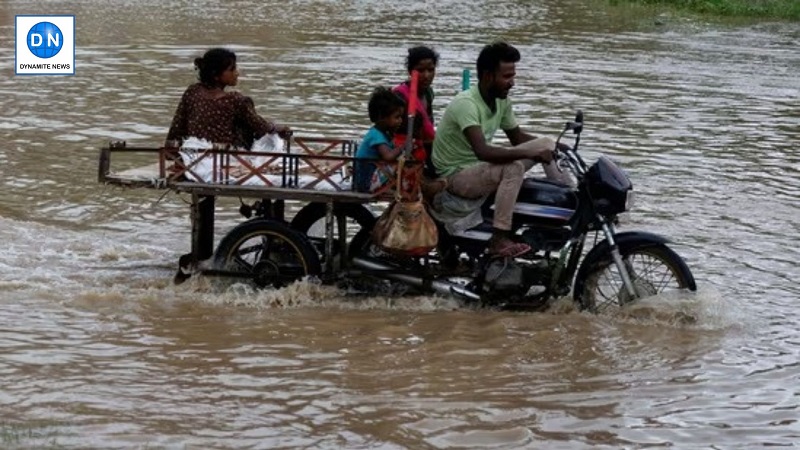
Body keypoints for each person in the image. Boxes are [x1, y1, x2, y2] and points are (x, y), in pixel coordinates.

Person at [431, 41, 566, 258]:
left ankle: (569, 201)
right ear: (487, 76)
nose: (511, 83)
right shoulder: (466, 104)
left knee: (547, 142)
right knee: (513, 168)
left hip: (480, 169)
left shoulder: (501, 101)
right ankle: (499, 238)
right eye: (506, 77)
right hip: (456, 176)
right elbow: (483, 152)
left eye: (513, 76)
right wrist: (530, 154)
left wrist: (557, 147)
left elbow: (517, 137)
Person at [165, 48, 291, 151]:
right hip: (226, 159)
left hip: (195, 157)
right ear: (215, 75)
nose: (237, 73)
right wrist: (278, 128)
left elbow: (177, 126)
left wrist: (171, 153)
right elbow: (260, 126)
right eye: (232, 69)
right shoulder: (236, 100)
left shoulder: (192, 91)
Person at [354, 87, 405, 193]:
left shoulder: (382, 133)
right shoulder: (376, 135)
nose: (400, 120)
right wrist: (403, 147)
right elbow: (388, 156)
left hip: (370, 175)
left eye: (401, 117)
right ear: (382, 118)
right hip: (366, 182)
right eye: (397, 117)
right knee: (400, 164)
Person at [392, 46, 439, 154]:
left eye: (430, 70)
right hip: (403, 149)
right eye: (421, 70)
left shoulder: (428, 93)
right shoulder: (400, 95)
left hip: (423, 145)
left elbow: (428, 125)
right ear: (410, 71)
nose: (426, 75)